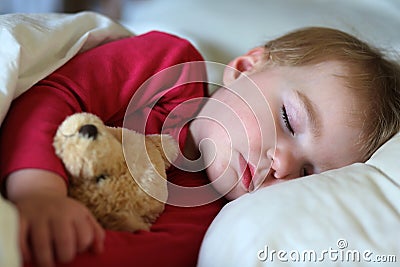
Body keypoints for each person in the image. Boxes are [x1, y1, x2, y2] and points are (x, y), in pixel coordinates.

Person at [0, 27, 399, 267]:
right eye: (288, 120)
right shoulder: (168, 66)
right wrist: (37, 190)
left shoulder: (203, 231)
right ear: (246, 68)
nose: (282, 165)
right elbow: (56, 94)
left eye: (308, 174)